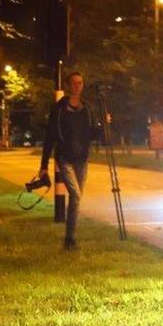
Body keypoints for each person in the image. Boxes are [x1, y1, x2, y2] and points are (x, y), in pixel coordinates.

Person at [38, 71, 94, 251]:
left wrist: (105, 126)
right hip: (65, 158)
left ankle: (69, 237)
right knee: (76, 195)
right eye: (74, 83)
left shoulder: (87, 109)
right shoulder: (59, 109)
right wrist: (44, 165)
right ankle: (70, 239)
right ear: (69, 86)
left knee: (76, 199)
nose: (78, 86)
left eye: (80, 83)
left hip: (82, 159)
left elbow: (92, 134)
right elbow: (50, 137)